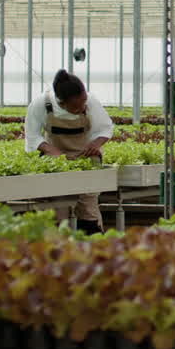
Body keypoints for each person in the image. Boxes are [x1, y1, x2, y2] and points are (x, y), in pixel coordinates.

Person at [24, 69, 113, 234]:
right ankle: (58, 245)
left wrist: (95, 144)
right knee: (58, 207)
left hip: (85, 160)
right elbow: (32, 137)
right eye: (75, 106)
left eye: (83, 102)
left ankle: (92, 241)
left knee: (88, 207)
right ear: (62, 102)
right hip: (56, 164)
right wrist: (53, 151)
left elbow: (105, 129)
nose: (82, 107)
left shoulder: (91, 101)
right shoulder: (41, 104)